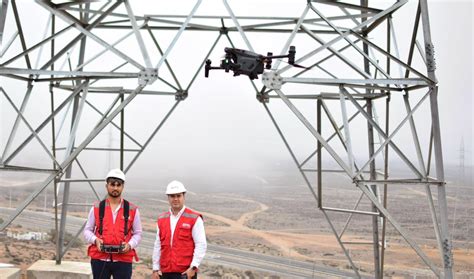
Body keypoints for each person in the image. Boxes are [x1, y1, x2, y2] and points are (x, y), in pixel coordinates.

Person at [83, 169, 142, 279]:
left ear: (122, 187)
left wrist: (130, 245)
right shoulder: (97, 208)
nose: (115, 188)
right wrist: (95, 240)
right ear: (107, 186)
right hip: (100, 259)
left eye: (118, 185)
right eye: (112, 184)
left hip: (123, 260)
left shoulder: (132, 209)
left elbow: (138, 233)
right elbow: (87, 230)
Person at [152, 180, 207, 279]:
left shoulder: (194, 218)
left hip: (185, 274)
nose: (176, 199)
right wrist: (155, 269)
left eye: (178, 196)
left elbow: (201, 244)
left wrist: (193, 268)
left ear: (183, 196)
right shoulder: (161, 219)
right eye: (172, 196)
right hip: (165, 273)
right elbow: (158, 245)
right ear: (168, 198)